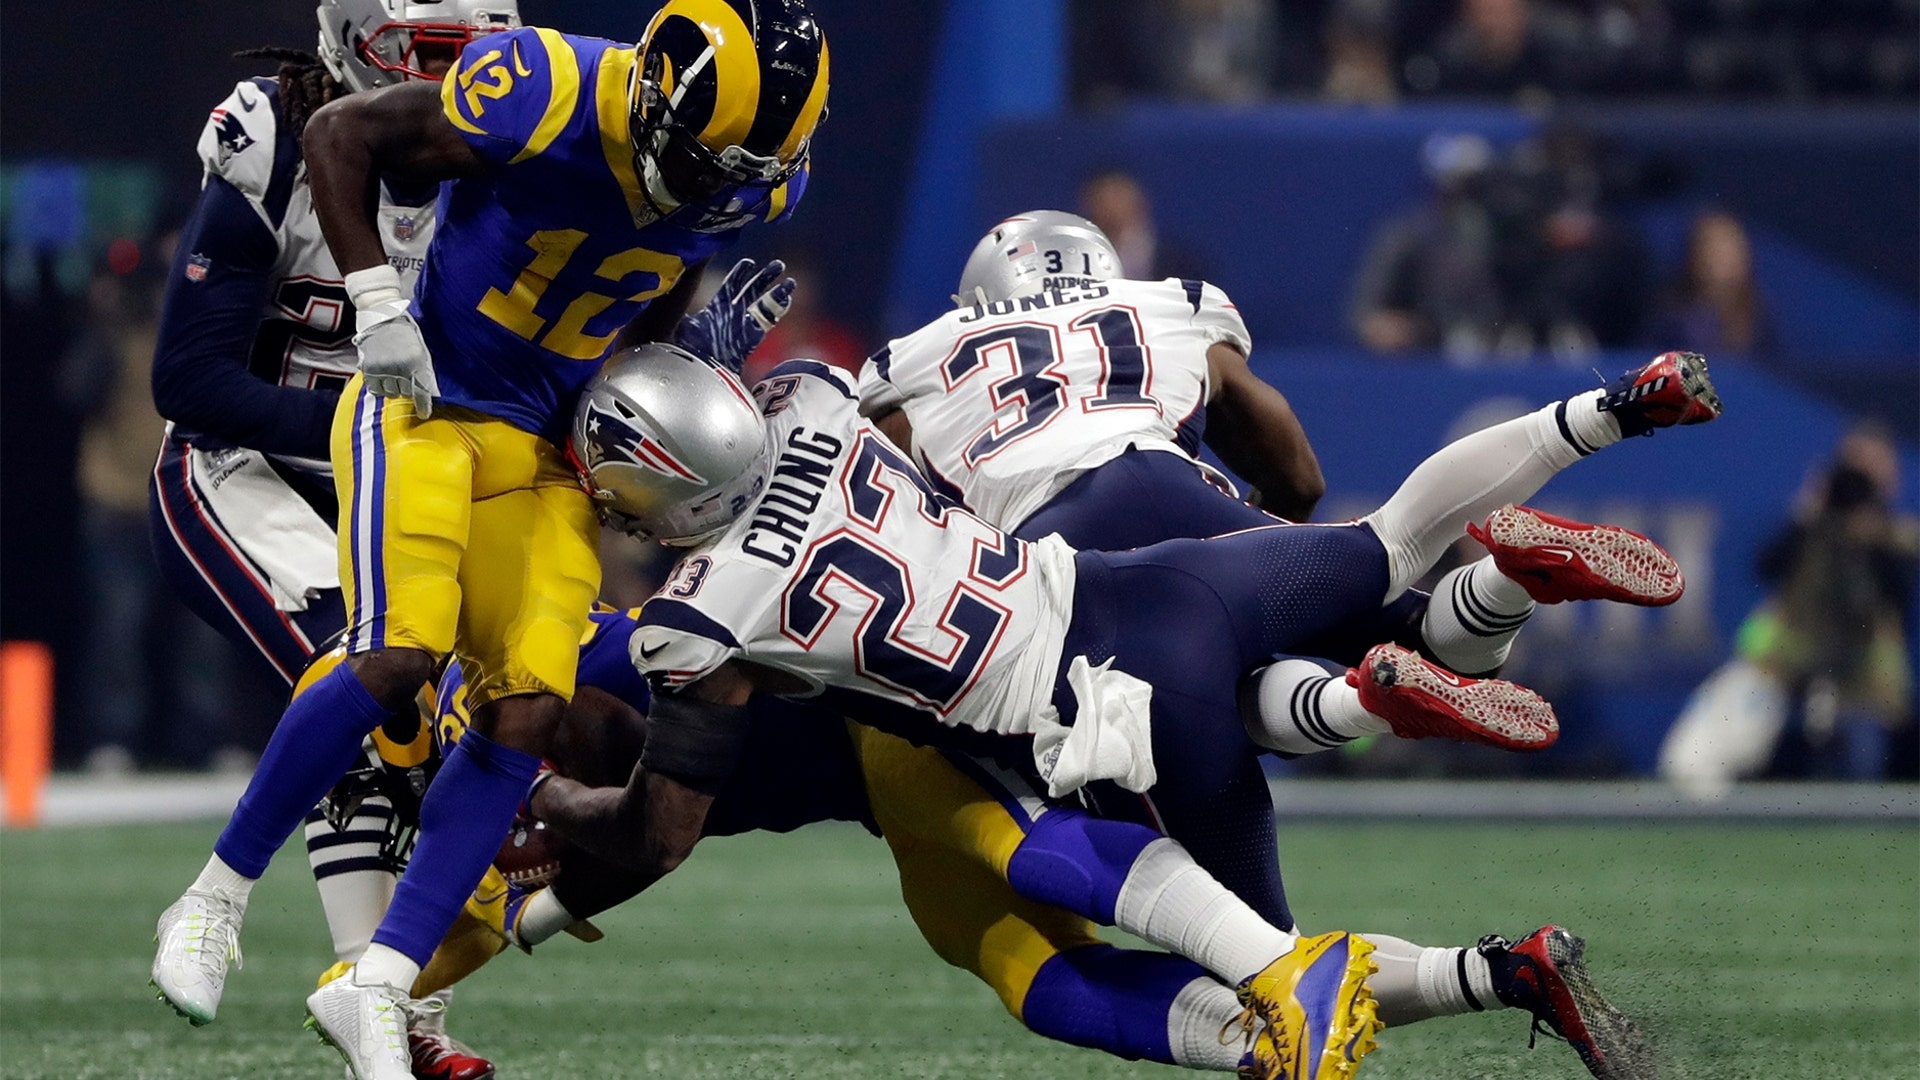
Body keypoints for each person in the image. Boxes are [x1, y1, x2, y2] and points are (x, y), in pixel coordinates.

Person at [564, 332, 1716, 1073]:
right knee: (1394, 541)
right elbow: (772, 414)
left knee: (1267, 974)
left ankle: (1363, 712)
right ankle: (1607, 416)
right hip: (1150, 583)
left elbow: (661, 830)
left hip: (1078, 707)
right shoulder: (814, 398)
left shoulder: (697, 617)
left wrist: (562, 833)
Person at [151, 3, 824, 1078]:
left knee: (531, 704)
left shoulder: (755, 175)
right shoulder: (543, 87)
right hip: (420, 414)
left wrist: (656, 387)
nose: (709, 187)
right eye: (697, 161)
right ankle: (211, 902)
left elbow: (667, 267)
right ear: (653, 94)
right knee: (397, 661)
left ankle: (382, 986)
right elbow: (341, 143)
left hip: (542, 451)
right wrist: (377, 301)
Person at [421, 606, 1649, 1078]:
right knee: (1035, 982)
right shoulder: (576, 714)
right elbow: (617, 848)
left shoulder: (617, 654)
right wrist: (471, 949)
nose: (531, 758)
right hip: (888, 801)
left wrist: (539, 835)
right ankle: (1494, 971)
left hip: (918, 735)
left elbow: (652, 824)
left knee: (1023, 852)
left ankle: (1348, 729)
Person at [145, 6, 519, 1076]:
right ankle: (223, 909)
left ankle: (381, 999)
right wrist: (369, 431)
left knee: (450, 720)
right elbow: (189, 379)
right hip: (241, 472)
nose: (449, 79)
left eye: (469, 52)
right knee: (362, 680)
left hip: (392, 490)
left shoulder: (509, 165)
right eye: (425, 50)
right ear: (357, 38)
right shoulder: (276, 132)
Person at [1644, 209, 1776, 360]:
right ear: (1694, 254)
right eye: (1712, 247)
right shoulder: (1669, 317)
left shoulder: (1758, 319)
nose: (1721, 257)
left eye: (1729, 247)